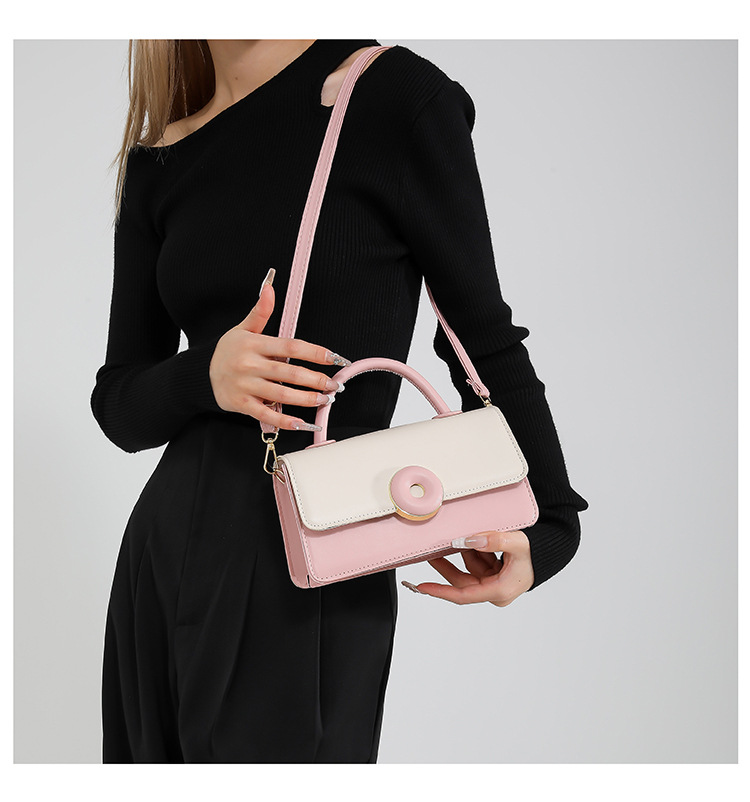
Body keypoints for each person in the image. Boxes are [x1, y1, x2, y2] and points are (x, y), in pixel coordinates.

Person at [91, 38, 589, 764]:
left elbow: (479, 337)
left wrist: (553, 524)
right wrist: (208, 374)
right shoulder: (159, 157)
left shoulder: (389, 97)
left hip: (310, 557)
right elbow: (118, 403)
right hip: (160, 561)